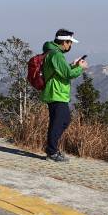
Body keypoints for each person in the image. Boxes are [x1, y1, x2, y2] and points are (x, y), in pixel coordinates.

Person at [41, 28, 87, 162]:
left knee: (58, 122)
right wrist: (80, 68)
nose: (70, 46)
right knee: (62, 121)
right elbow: (67, 74)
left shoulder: (52, 52)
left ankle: (52, 150)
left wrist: (72, 65)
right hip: (56, 93)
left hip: (54, 92)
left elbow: (61, 71)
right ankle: (52, 152)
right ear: (64, 42)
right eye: (70, 43)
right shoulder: (57, 55)